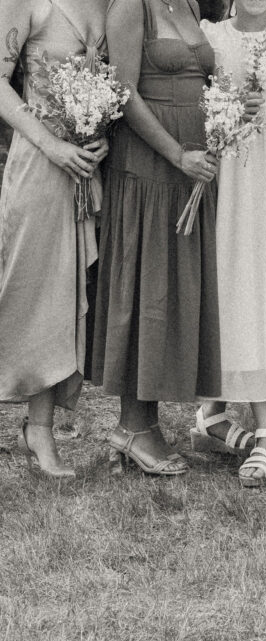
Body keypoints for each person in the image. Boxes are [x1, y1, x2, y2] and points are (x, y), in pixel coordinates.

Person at [93, 0, 255, 476]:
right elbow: (123, 94)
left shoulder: (188, 4)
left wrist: (228, 109)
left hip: (193, 169)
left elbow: (200, 83)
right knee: (146, 289)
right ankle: (134, 427)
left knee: (175, 290)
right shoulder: (129, 6)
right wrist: (176, 154)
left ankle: (143, 426)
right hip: (148, 167)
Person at [193, 0, 266, 486]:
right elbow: (194, 106)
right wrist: (226, 111)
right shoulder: (211, 37)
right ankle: (264, 426)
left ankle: (212, 415)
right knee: (239, 275)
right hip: (236, 172)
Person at [0, 0, 110, 479]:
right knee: (26, 293)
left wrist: (102, 136)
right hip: (39, 166)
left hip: (84, 171)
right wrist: (51, 144)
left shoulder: (106, 4)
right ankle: (33, 426)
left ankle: (39, 430)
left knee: (62, 299)